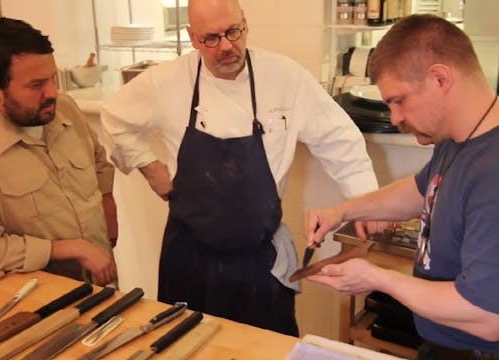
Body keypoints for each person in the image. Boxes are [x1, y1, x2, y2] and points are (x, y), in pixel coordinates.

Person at [101, 0, 378, 336]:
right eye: (211, 39)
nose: (227, 47)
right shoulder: (167, 81)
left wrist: (366, 202)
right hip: (189, 256)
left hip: (259, 258)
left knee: (266, 350)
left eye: (233, 32)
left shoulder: (285, 77)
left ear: (244, 23)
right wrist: (147, 164)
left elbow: (340, 139)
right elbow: (114, 117)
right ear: (192, 37)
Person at [305, 14, 499, 358]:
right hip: (447, 345)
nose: (396, 118)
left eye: (398, 100)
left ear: (439, 78)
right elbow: (423, 191)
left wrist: (377, 278)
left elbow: (487, 318)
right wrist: (341, 210)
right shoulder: (463, 136)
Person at [0, 17, 118, 286]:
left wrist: (108, 214)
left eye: (53, 79)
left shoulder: (65, 107)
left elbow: (99, 163)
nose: (52, 92)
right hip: (38, 302)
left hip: (101, 284)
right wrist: (72, 248)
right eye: (36, 85)